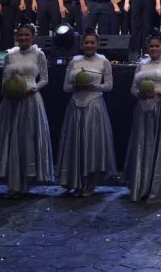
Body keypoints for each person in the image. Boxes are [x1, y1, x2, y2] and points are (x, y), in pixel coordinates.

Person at [0, 23, 55, 199]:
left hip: (30, 100)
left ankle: (26, 183)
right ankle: (13, 184)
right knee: (11, 138)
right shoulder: (9, 55)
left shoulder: (39, 54)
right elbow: (4, 78)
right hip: (11, 100)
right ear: (16, 37)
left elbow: (44, 79)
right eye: (20, 35)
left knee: (27, 138)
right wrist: (8, 91)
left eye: (27, 35)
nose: (23, 38)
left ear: (32, 37)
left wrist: (33, 89)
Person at [125, 34, 161, 202]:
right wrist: (140, 94)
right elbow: (133, 89)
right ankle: (142, 185)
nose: (154, 49)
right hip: (143, 108)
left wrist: (160, 92)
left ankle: (160, 186)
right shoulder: (141, 65)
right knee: (142, 144)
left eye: (157, 46)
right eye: (151, 46)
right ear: (147, 48)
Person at [57, 31, 116, 197]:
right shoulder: (74, 61)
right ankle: (77, 182)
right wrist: (76, 87)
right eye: (86, 43)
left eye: (92, 42)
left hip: (94, 105)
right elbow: (66, 87)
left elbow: (109, 86)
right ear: (81, 45)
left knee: (92, 144)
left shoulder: (103, 61)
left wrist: (94, 87)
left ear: (97, 44)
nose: (89, 45)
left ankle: (91, 183)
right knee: (76, 144)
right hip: (76, 105)